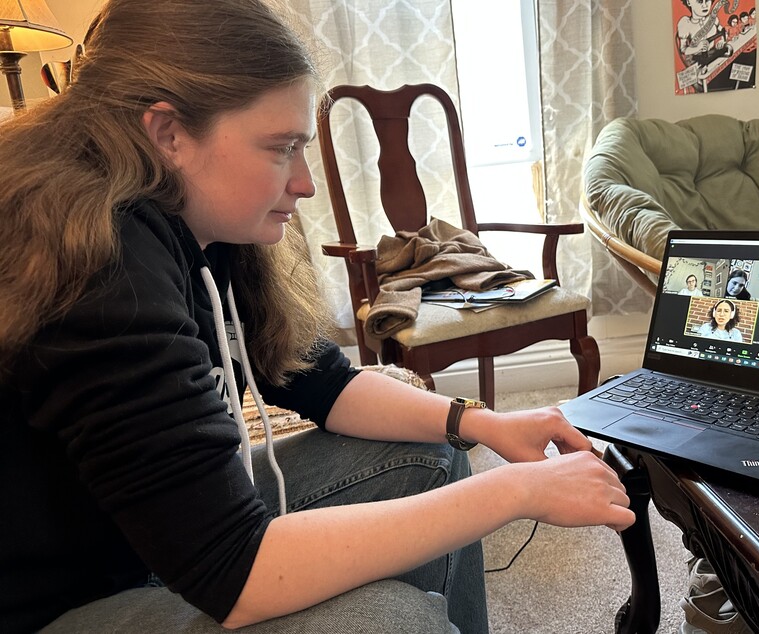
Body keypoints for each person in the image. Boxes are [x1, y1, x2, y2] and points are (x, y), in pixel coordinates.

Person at [0, 1, 635, 633]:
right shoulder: (100, 263)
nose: (305, 182)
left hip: (149, 536)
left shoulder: (201, 228)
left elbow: (318, 379)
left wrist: (481, 422)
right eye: (282, 148)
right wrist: (517, 492)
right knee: (391, 620)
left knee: (431, 459)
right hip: (60, 602)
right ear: (168, 135)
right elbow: (232, 568)